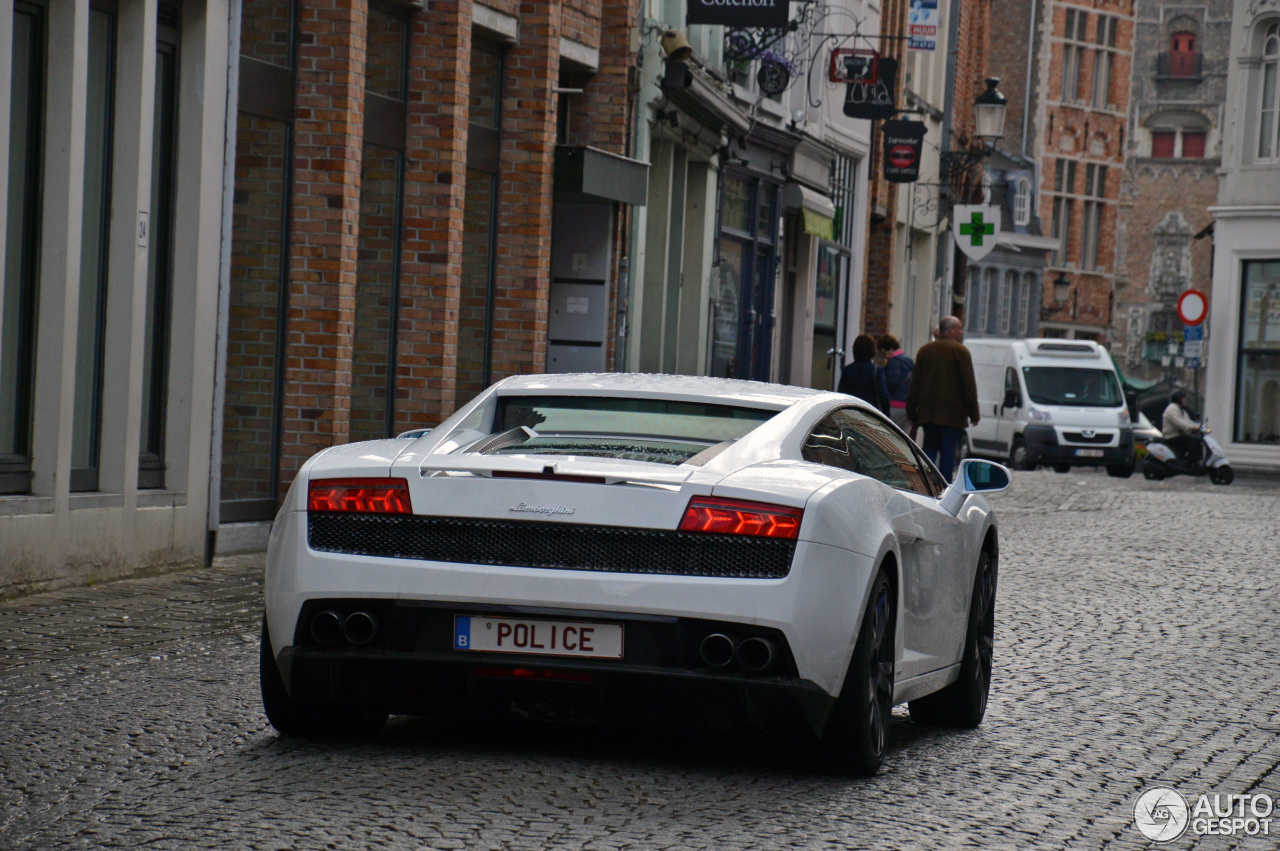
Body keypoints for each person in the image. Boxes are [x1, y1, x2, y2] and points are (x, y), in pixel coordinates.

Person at [906, 315, 980, 481]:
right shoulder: (961, 352)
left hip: (928, 413)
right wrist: (974, 414)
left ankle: (925, 482)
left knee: (929, 449)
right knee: (948, 453)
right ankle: (944, 485)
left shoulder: (925, 351)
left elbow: (915, 384)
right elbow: (968, 386)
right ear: (950, 330)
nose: (962, 332)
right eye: (959, 328)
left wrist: (911, 412)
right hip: (952, 415)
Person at [839, 334, 891, 415]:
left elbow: (841, 394)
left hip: (851, 413)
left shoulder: (847, 370)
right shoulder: (877, 371)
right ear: (872, 351)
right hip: (870, 413)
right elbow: (884, 396)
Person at [877, 334, 914, 430]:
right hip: (906, 405)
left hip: (895, 404)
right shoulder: (908, 361)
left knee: (887, 433)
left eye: (884, 353)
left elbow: (891, 383)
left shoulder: (894, 363)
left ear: (890, 348)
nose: (885, 357)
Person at [1162, 389, 1202, 464]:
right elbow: (1179, 422)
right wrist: (1191, 428)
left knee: (1197, 440)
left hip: (1178, 435)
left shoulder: (1180, 409)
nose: (1185, 400)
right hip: (1172, 436)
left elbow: (1187, 421)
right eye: (1183, 398)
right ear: (1178, 399)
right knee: (1194, 441)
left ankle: (1192, 461)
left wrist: (1199, 426)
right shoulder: (1172, 409)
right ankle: (1190, 462)